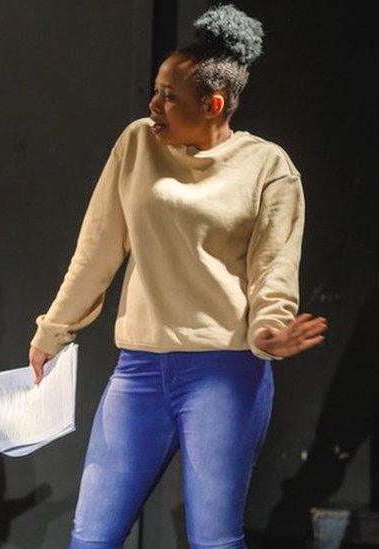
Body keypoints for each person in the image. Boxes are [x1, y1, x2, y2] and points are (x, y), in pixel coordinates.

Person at [27, 5, 327, 548]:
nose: (154, 105)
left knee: (212, 538)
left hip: (224, 371)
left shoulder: (268, 166)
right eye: (156, 90)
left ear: (213, 105)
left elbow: (273, 270)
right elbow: (97, 246)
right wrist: (55, 329)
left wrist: (270, 331)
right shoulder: (137, 143)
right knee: (91, 536)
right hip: (139, 367)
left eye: (170, 96)